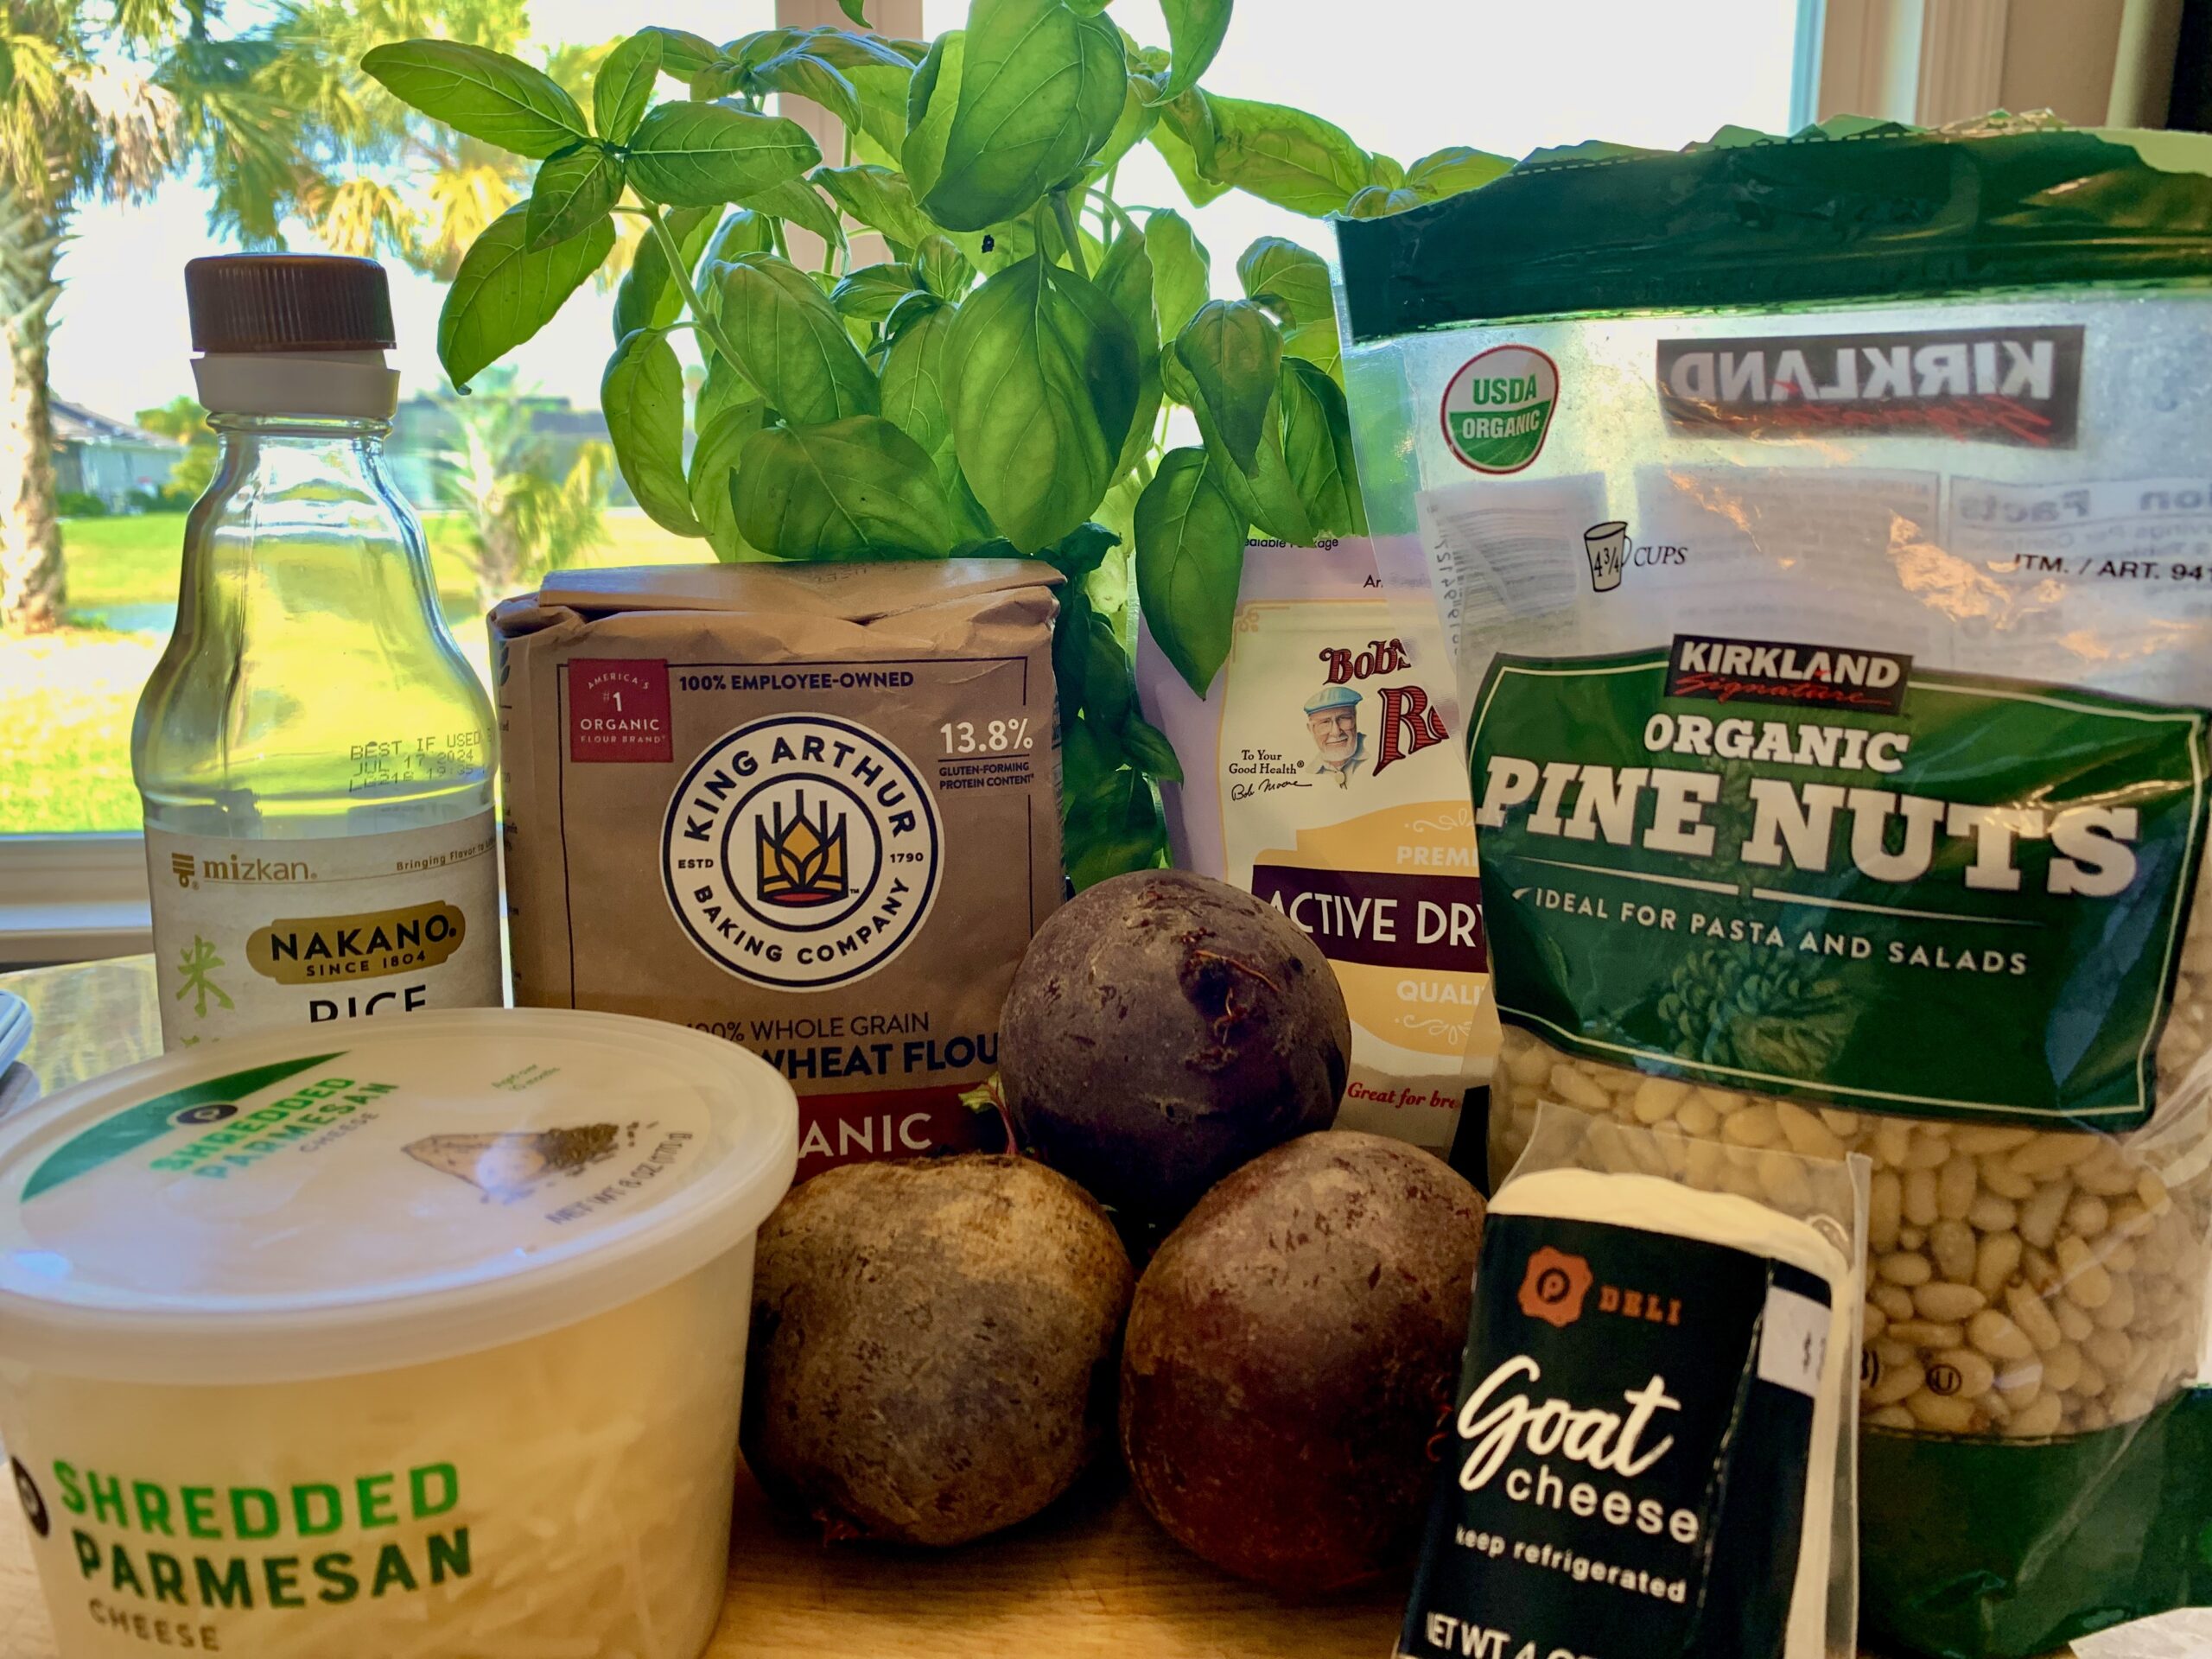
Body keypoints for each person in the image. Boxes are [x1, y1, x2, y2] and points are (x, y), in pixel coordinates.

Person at [1304, 684, 1367, 787]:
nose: (1336, 732)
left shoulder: (1377, 751)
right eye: (1324, 723)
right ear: (1311, 730)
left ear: (1355, 720)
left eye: (1344, 718)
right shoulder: (1308, 772)